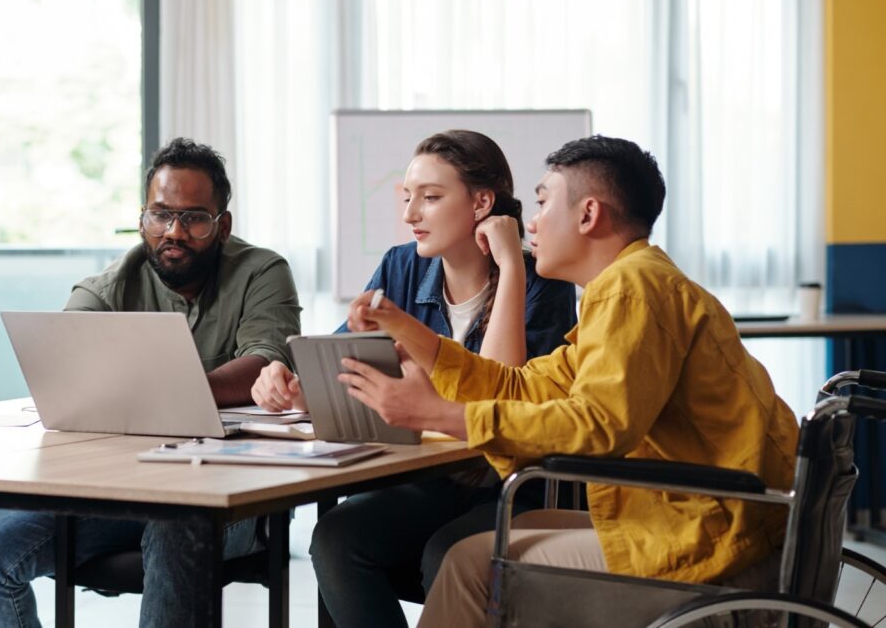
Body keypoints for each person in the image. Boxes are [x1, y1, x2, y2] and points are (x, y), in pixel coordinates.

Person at [337, 135, 800, 627]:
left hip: (719, 543)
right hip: (714, 520)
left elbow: (598, 426)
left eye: (542, 202)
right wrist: (407, 329)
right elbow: (523, 386)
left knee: (471, 565)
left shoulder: (631, 290)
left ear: (588, 215)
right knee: (505, 537)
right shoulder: (630, 283)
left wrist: (437, 413)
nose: (530, 222)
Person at [0, 137, 302, 628]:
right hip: (117, 489)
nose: (173, 232)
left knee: (176, 521)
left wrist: (151, 385)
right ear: (142, 219)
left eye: (194, 218)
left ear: (222, 226)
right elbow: (64, 374)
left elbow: (265, 362)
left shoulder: (262, 271)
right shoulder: (105, 287)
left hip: (234, 494)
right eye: (160, 215)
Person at [251, 130, 576, 626]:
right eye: (408, 198)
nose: (410, 215)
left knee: (445, 555)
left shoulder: (542, 279)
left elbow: (501, 388)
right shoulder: (399, 265)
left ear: (481, 202)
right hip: (430, 475)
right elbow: (343, 360)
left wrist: (511, 265)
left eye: (430, 197)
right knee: (337, 537)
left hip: (511, 482)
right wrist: (295, 382)